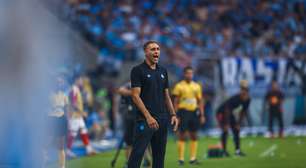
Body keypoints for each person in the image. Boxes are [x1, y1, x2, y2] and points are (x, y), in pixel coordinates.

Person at [127, 41, 179, 168]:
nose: (156, 51)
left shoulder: (163, 71)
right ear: (145, 52)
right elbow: (135, 95)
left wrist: (172, 114)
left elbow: (166, 95)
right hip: (145, 120)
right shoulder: (137, 70)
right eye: (152, 49)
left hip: (162, 118)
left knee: (159, 157)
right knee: (137, 154)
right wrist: (148, 117)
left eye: (158, 49)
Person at [172, 66, 205, 165]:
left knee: (194, 135)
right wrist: (176, 114)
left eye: (191, 73)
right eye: (188, 73)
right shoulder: (179, 86)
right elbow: (176, 101)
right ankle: (181, 159)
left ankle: (193, 158)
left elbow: (200, 101)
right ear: (184, 74)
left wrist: (202, 114)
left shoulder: (197, 86)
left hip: (194, 112)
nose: (190, 75)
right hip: (183, 111)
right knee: (182, 135)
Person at [116, 81, 151, 168]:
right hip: (130, 117)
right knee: (129, 142)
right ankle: (128, 162)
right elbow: (120, 90)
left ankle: (146, 159)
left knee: (143, 140)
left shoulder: (144, 83)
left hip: (141, 117)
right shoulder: (129, 84)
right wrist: (133, 93)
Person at [216, 80, 250, 157]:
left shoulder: (248, 100)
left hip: (229, 113)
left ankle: (237, 151)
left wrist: (238, 123)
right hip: (221, 112)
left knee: (236, 130)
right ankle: (224, 151)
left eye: (246, 92)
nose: (244, 93)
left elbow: (243, 112)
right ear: (241, 91)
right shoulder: (236, 98)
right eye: (243, 91)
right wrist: (227, 124)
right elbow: (227, 110)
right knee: (225, 130)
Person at [66, 76, 96, 157]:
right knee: (72, 133)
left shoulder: (76, 89)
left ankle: (88, 149)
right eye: (80, 80)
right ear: (76, 80)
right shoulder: (74, 89)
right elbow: (74, 103)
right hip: (74, 115)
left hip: (78, 115)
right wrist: (82, 112)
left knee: (83, 131)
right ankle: (68, 150)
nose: (81, 81)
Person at [45, 75, 69, 168]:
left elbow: (66, 108)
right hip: (51, 119)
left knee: (61, 146)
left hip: (61, 119)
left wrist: (67, 119)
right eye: (57, 82)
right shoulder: (48, 95)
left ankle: (62, 166)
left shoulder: (64, 95)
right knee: (45, 144)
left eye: (60, 82)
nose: (59, 84)